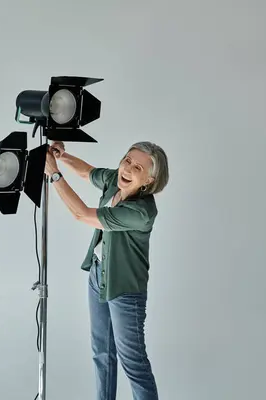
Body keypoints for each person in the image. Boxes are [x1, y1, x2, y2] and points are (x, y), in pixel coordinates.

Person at [44, 140, 169, 400]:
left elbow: (81, 214)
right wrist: (63, 156)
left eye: (137, 167)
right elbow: (87, 172)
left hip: (124, 290)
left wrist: (54, 174)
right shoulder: (117, 180)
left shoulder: (141, 211)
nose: (128, 168)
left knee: (134, 364)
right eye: (127, 160)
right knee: (102, 353)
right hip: (98, 275)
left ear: (149, 179)